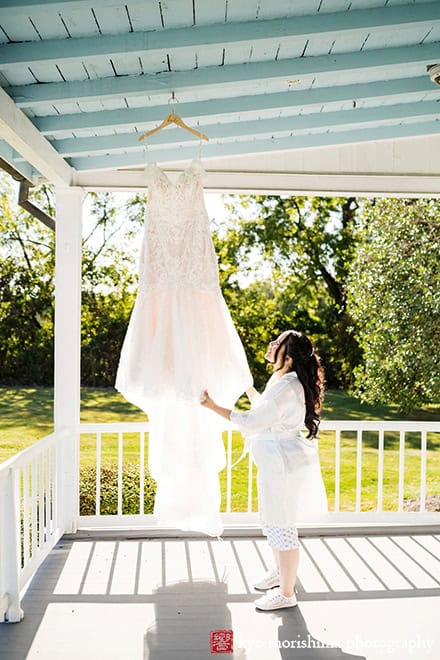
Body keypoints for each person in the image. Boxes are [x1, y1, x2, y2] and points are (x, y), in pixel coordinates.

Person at [201, 330, 328, 611]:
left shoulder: (287, 385)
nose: (271, 345)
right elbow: (266, 409)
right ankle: (282, 573)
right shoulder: (283, 380)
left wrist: (212, 406)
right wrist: (248, 388)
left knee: (283, 525)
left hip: (282, 465)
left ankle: (286, 592)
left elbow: (254, 420)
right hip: (276, 463)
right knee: (273, 521)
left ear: (288, 355)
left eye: (278, 342)